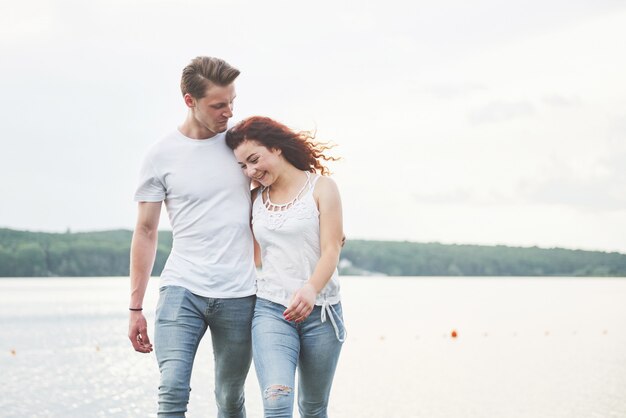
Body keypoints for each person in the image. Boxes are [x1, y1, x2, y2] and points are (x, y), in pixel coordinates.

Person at [128, 56, 257, 418]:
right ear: (190, 100)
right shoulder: (160, 156)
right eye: (219, 105)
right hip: (182, 289)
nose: (229, 112)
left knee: (230, 397)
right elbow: (146, 231)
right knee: (172, 390)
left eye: (232, 101)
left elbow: (282, 190)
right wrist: (135, 307)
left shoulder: (243, 146)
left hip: (239, 292)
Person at [225, 116, 347, 418]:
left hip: (322, 312)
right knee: (277, 403)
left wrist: (310, 289)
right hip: (271, 311)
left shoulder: (323, 188)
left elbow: (332, 248)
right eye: (243, 166)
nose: (251, 171)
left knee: (313, 408)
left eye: (254, 160)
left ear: (276, 147)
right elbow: (247, 253)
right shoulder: (253, 198)